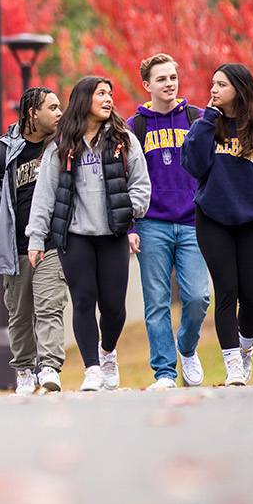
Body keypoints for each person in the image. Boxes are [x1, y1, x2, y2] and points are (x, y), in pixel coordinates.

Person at [27, 76, 151, 392]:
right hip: (75, 234)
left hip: (112, 234)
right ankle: (92, 369)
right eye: (101, 94)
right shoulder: (62, 144)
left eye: (110, 93)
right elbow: (45, 192)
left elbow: (141, 185)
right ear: (85, 100)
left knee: (114, 307)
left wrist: (128, 209)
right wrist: (36, 236)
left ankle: (107, 351)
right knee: (83, 299)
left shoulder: (125, 139)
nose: (108, 99)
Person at [180, 64, 253, 386]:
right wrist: (206, 122)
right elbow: (193, 166)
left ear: (240, 90)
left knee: (252, 299)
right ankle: (232, 366)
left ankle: (245, 348)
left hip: (252, 222)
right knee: (226, 291)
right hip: (213, 219)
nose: (213, 90)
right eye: (212, 83)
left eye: (221, 85)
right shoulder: (207, 124)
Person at [0, 87, 65, 395]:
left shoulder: (62, 147)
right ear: (33, 113)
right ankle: (24, 369)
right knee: (19, 316)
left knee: (50, 307)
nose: (60, 113)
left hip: (51, 246)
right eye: (53, 107)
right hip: (15, 249)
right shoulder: (1, 154)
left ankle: (49, 367)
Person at [127, 53, 210, 389]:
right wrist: (130, 226)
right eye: (161, 79)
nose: (169, 83)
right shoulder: (134, 128)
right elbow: (123, 180)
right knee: (157, 301)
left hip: (192, 222)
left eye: (173, 77)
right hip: (151, 224)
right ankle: (164, 372)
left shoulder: (197, 119)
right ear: (146, 85)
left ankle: (187, 347)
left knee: (197, 297)